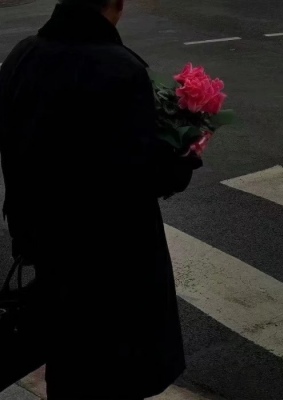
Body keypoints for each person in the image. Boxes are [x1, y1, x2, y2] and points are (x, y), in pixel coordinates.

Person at [0, 0, 203, 398]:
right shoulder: (121, 69)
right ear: (116, 4)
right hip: (113, 263)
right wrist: (185, 154)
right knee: (112, 374)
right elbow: (144, 174)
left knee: (68, 363)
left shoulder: (22, 55)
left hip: (46, 246)